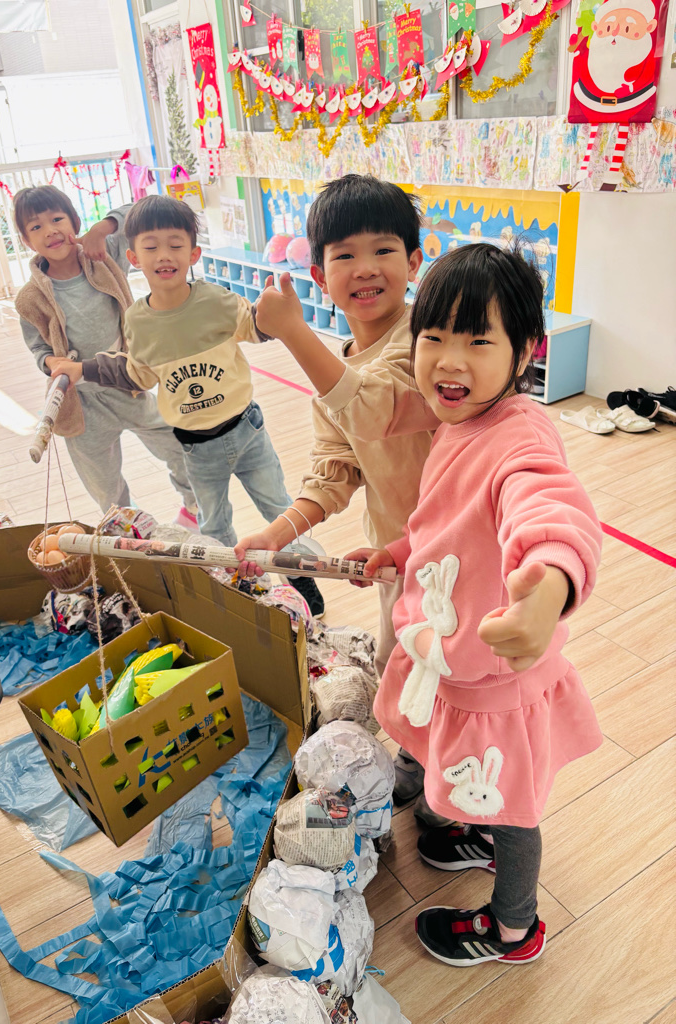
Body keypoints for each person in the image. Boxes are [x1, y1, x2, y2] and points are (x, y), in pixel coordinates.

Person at [354, 243, 603, 966]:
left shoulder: (520, 433)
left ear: (525, 351)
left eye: (478, 341)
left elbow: (548, 505)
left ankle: (514, 927)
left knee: (514, 809)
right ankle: (458, 825)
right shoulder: (461, 424)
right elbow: (447, 524)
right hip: (451, 656)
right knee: (445, 749)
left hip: (495, 674)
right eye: (433, 337)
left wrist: (548, 586)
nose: (449, 361)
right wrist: (402, 551)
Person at [233, 175, 441, 819]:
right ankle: (418, 757)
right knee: (400, 663)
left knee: (450, 674)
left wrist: (293, 333)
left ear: (414, 261)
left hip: (460, 553)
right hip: (395, 554)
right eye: (345, 254)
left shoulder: (428, 342)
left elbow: (376, 407)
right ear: (320, 277)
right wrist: (277, 534)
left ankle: (456, 799)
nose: (366, 268)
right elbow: (334, 471)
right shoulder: (337, 369)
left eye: (383, 250)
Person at [48, 193, 324, 615]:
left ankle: (299, 575)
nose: (165, 255)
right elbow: (137, 375)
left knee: (278, 506)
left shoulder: (216, 300)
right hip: (196, 447)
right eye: (151, 246)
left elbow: (256, 328)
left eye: (176, 245)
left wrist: (279, 314)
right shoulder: (137, 320)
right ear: (134, 258)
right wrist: (82, 369)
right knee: (214, 526)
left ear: (193, 254)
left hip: (247, 430)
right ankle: (233, 592)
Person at [14, 184, 197, 523]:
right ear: (26, 240)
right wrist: (52, 362)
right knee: (105, 485)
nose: (50, 231)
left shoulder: (104, 255)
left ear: (74, 221)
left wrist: (102, 229)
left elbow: (140, 212)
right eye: (36, 226)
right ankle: (130, 532)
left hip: (125, 382)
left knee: (177, 444)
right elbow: (38, 347)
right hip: (81, 404)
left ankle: (195, 510)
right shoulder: (29, 297)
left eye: (57, 219)